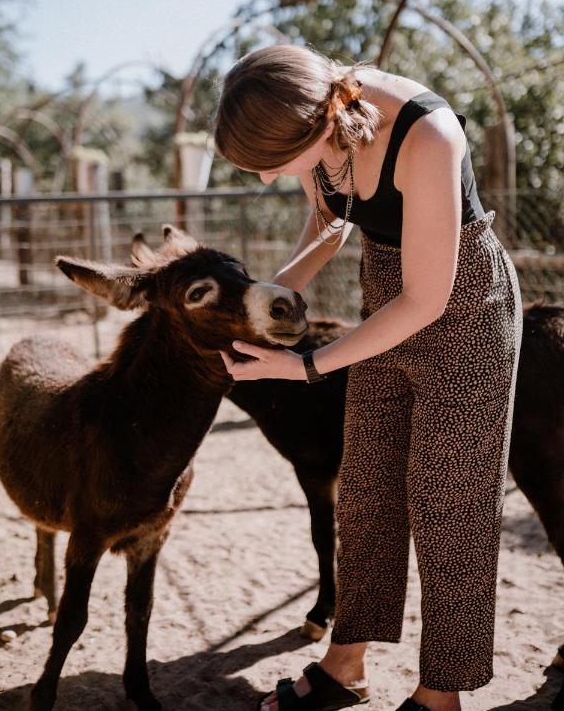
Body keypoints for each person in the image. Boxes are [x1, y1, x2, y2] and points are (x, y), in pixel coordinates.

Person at [213, 44, 523, 711]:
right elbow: (330, 221)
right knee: (366, 490)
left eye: (267, 166)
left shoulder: (426, 132)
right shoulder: (317, 120)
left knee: (450, 508)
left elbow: (427, 301)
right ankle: (344, 666)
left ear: (315, 125)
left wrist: (305, 366)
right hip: (385, 294)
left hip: (462, 307)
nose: (267, 180)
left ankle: (440, 696)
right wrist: (270, 296)